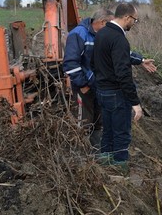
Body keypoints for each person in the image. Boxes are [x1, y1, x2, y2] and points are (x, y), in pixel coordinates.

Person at [63, 8, 156, 149]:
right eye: (110, 22)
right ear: (103, 22)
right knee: (84, 120)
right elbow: (71, 63)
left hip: (99, 85)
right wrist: (83, 84)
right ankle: (82, 156)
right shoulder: (79, 34)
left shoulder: (102, 35)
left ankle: (98, 151)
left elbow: (120, 53)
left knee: (99, 120)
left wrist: (140, 60)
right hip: (84, 87)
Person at [92, 3, 155, 171]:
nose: (134, 23)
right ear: (127, 17)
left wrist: (140, 61)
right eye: (135, 19)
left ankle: (105, 163)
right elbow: (123, 74)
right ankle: (120, 169)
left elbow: (98, 61)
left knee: (108, 130)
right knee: (121, 132)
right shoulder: (119, 39)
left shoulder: (101, 34)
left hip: (102, 91)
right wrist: (135, 103)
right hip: (116, 93)